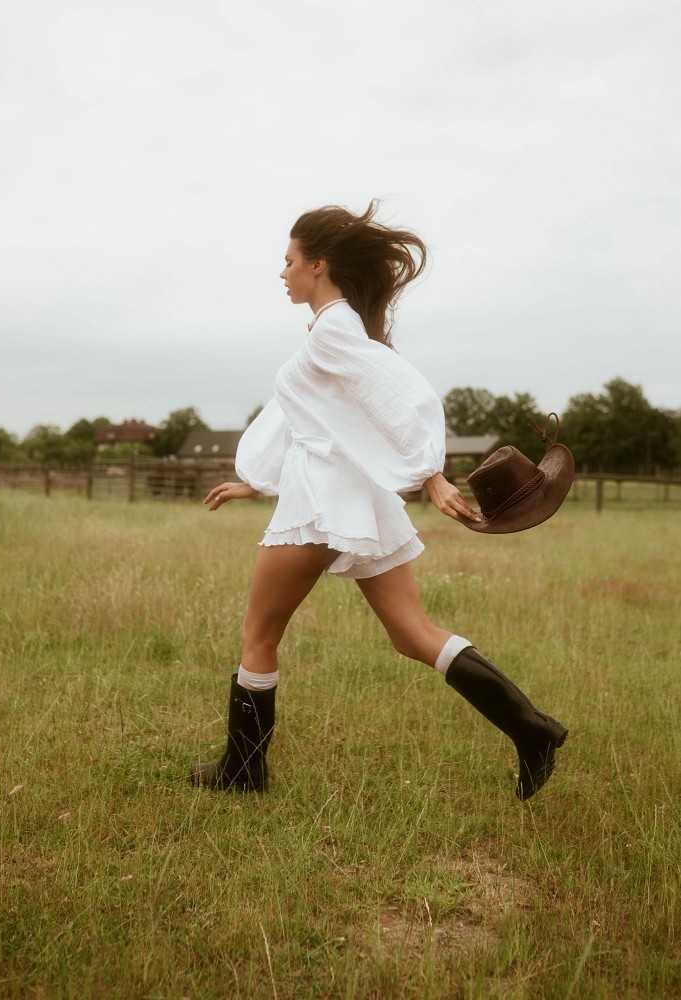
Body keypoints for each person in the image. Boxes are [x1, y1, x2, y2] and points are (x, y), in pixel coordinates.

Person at [190, 202, 568, 802]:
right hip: (355, 498)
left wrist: (430, 474)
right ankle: (533, 730)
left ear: (318, 264)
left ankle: (243, 770)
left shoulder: (334, 330)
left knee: (259, 635)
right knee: (413, 634)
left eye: (288, 261)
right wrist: (255, 480)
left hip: (323, 503)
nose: (282, 272)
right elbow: (304, 416)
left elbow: (399, 393)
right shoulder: (327, 332)